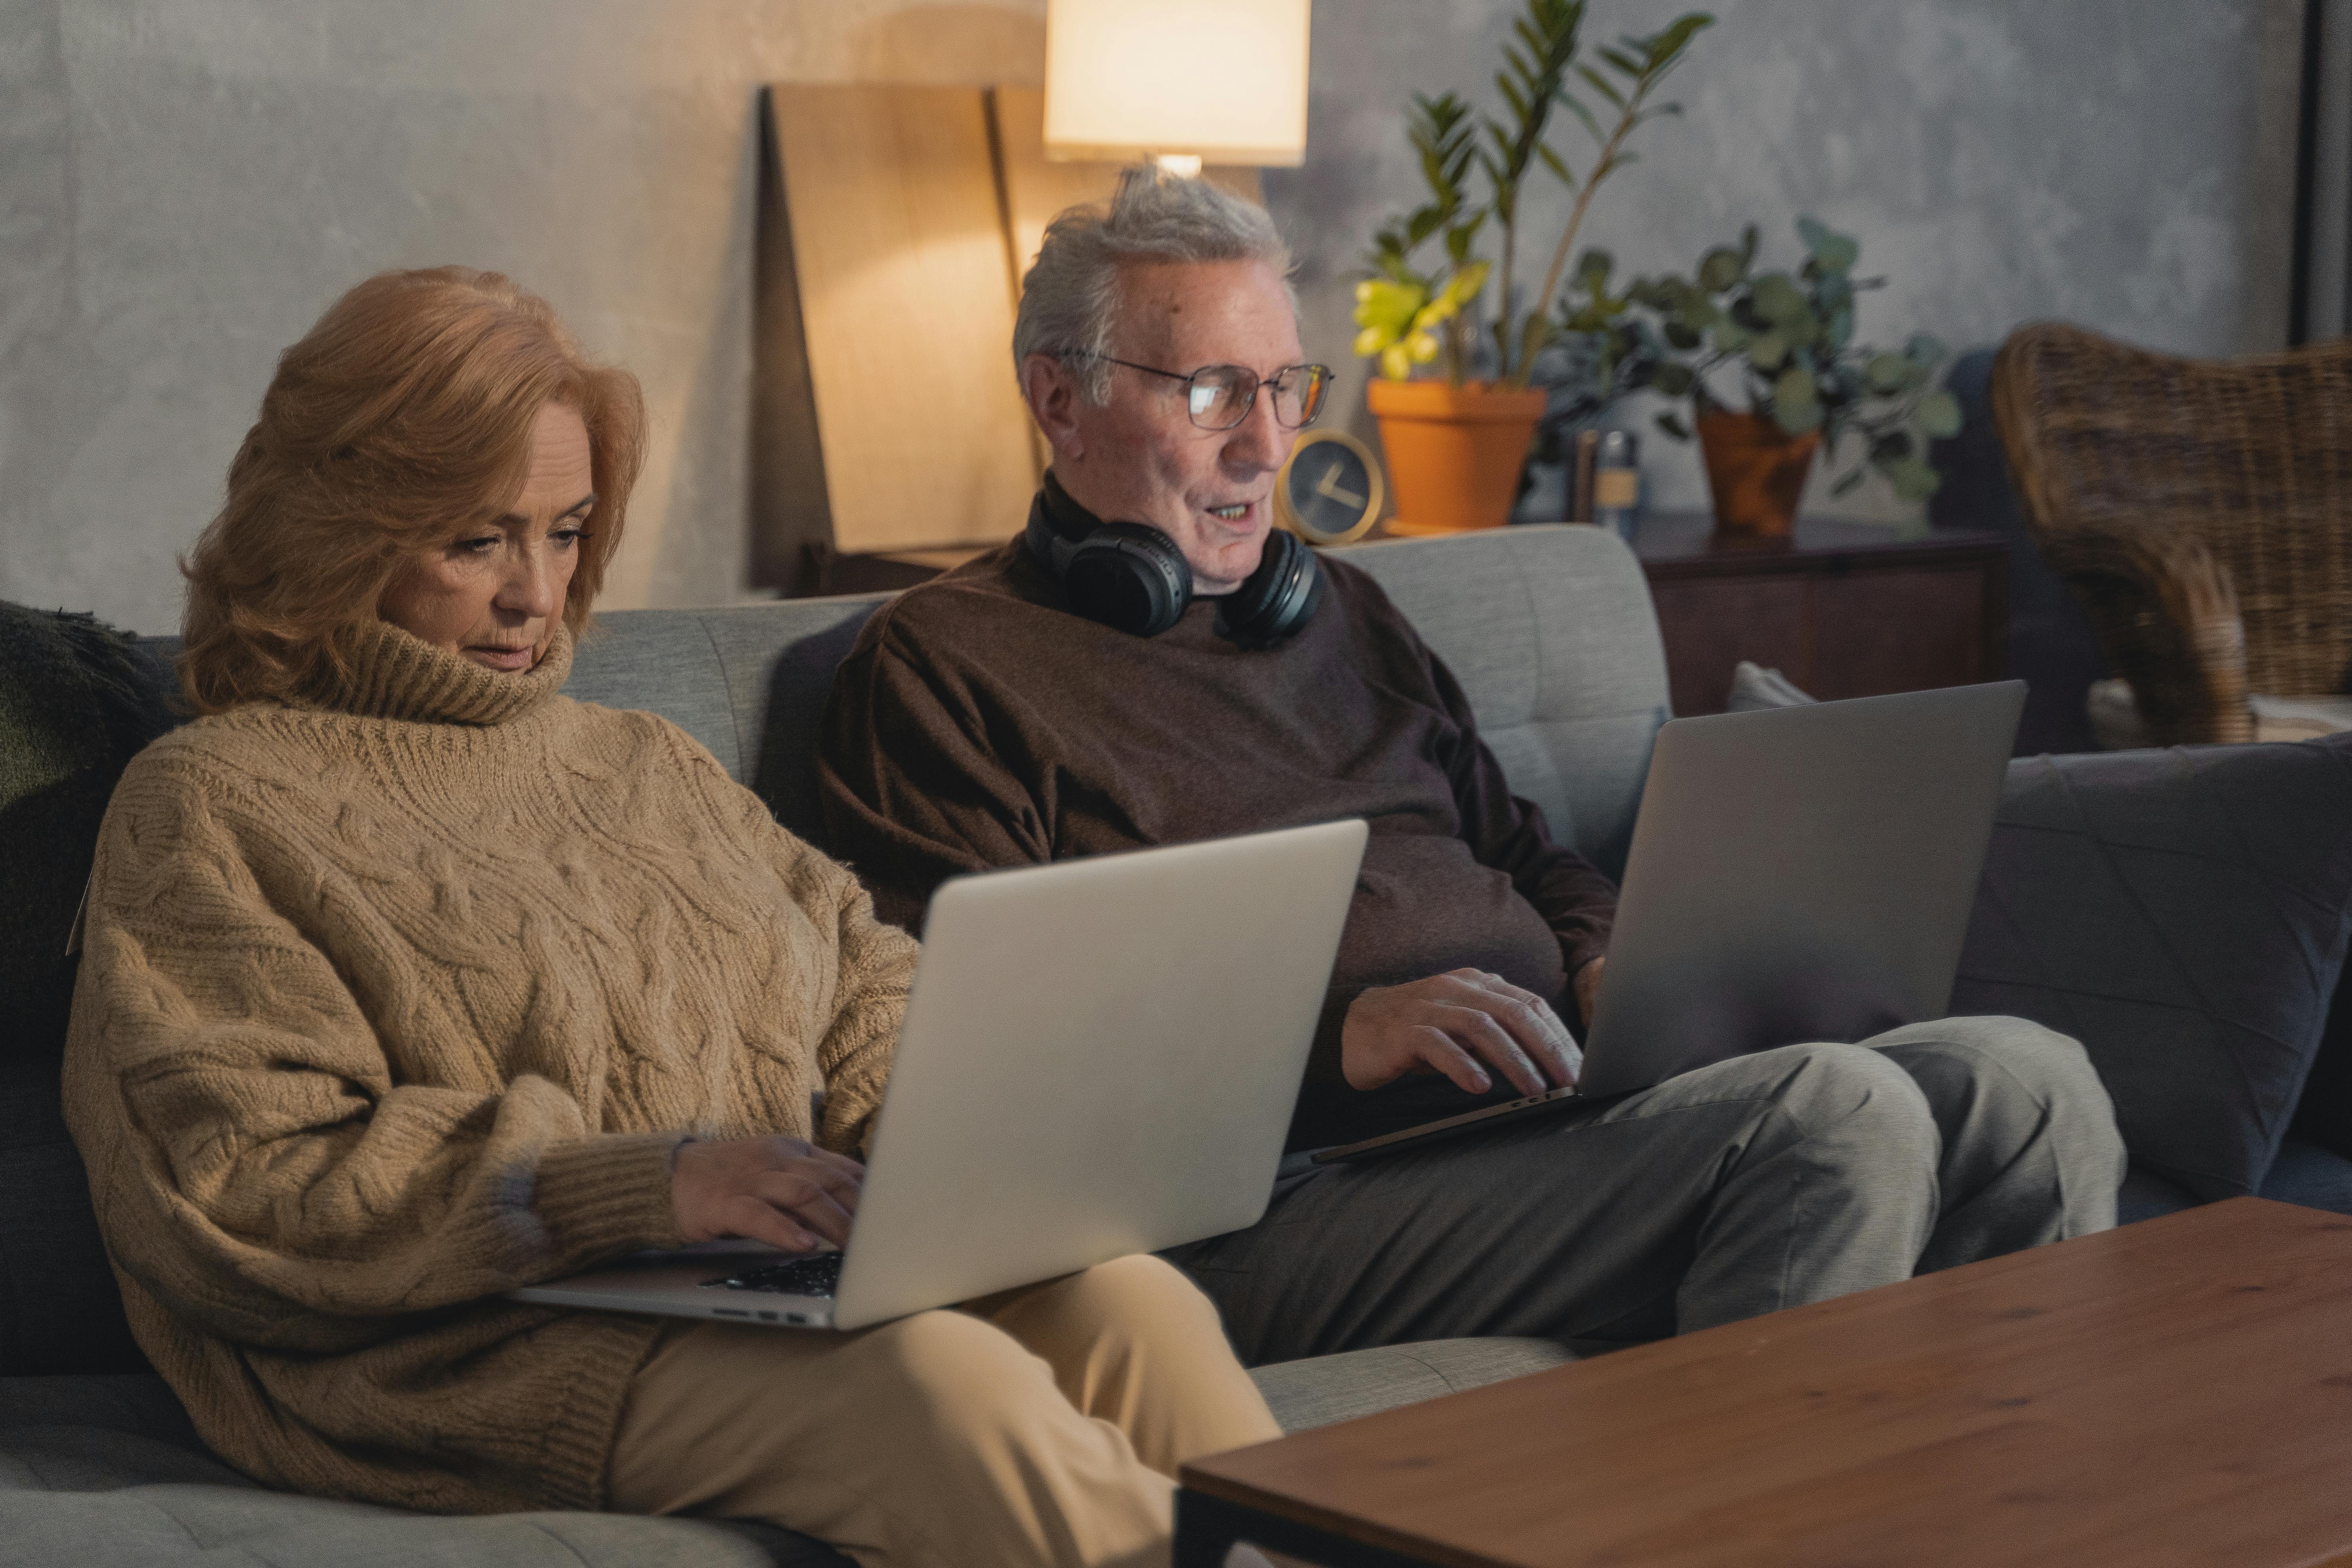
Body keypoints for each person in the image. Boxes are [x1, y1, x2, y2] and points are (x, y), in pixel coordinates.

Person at [61, 266, 1279, 1568]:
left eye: (568, 531)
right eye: (477, 541)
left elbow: (854, 980)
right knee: (940, 1388)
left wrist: (945, 1147)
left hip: (755, 1286)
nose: (537, 595)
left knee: (1131, 1301)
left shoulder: (641, 759)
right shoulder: (209, 801)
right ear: (336, 529)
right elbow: (239, 1188)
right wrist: (647, 1184)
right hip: (459, 1345)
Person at [816, 170, 2127, 1365]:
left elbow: (1531, 854)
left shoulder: (1339, 609)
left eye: (1286, 388)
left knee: (2027, 1079)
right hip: (1269, 1201)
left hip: (1539, 1104)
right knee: (1836, 1113)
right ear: (1061, 399)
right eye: (1211, 391)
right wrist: (1339, 1039)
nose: (1267, 448)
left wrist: (1620, 961)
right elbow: (977, 1073)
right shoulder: (944, 668)